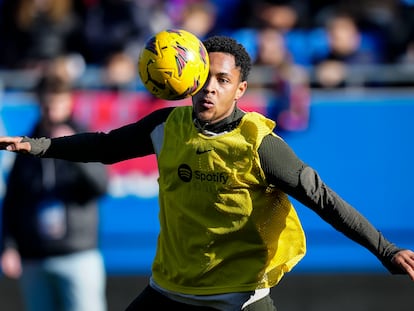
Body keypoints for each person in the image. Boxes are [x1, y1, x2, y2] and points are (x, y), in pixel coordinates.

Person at [0, 35, 413, 311]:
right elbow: (105, 147)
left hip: (238, 299)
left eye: (223, 80)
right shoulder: (166, 126)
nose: (209, 88)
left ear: (240, 89)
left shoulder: (261, 145)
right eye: (204, 78)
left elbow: (323, 199)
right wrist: (38, 145)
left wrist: (387, 250)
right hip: (169, 292)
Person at [0, 75, 109, 311]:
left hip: (77, 254)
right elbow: (13, 200)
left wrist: (72, 151)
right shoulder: (26, 144)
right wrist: (8, 246)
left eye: (58, 104)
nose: (52, 111)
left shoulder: (84, 139)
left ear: (69, 103)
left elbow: (101, 185)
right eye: (47, 104)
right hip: (35, 256)